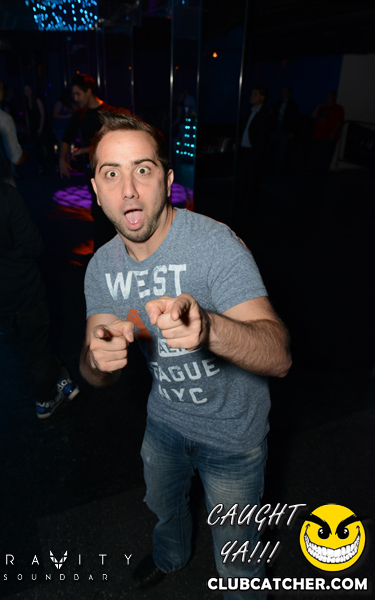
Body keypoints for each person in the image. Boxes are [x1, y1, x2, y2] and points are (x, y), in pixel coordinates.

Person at [79, 111, 292, 599]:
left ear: (168, 180)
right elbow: (95, 367)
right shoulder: (102, 267)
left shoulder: (215, 245)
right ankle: (171, 557)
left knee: (238, 564)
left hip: (233, 437)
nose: (129, 190)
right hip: (164, 425)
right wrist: (97, 360)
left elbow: (278, 355)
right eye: (111, 174)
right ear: (96, 190)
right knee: (165, 509)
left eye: (143, 169)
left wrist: (209, 328)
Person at [0, 111, 79, 419]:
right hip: (23, 291)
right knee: (37, 346)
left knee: (24, 344)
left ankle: (59, 376)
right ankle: (45, 399)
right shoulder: (3, 196)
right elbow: (35, 246)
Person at [59, 72, 119, 250]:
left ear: (89, 91)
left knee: (110, 210)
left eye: (78, 94)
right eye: (74, 95)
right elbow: (66, 137)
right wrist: (62, 159)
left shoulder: (109, 111)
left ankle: (111, 251)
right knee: (98, 210)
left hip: (111, 170)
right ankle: (102, 252)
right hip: (92, 170)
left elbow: (113, 142)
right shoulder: (80, 113)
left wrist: (85, 150)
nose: (76, 98)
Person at [233, 85, 272, 225]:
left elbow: (263, 137)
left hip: (254, 152)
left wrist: (258, 153)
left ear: (262, 97)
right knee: (244, 179)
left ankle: (249, 207)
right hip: (245, 150)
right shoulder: (251, 111)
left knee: (252, 180)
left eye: (255, 94)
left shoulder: (264, 114)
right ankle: (242, 204)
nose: (252, 96)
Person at [311, 90, 345, 179]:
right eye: (327, 96)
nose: (328, 98)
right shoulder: (323, 108)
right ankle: (315, 172)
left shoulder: (338, 108)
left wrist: (333, 133)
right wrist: (319, 106)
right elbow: (313, 115)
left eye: (330, 96)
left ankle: (322, 174)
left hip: (329, 136)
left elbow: (339, 122)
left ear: (334, 97)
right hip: (319, 135)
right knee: (317, 155)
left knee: (326, 156)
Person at [269, 85, 300, 173]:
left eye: (285, 91)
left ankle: (279, 168)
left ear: (289, 92)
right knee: (273, 147)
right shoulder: (279, 102)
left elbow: (295, 119)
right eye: (283, 91)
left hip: (285, 128)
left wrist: (292, 131)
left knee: (283, 148)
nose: (283, 93)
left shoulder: (292, 104)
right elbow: (273, 112)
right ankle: (271, 165)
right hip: (276, 127)